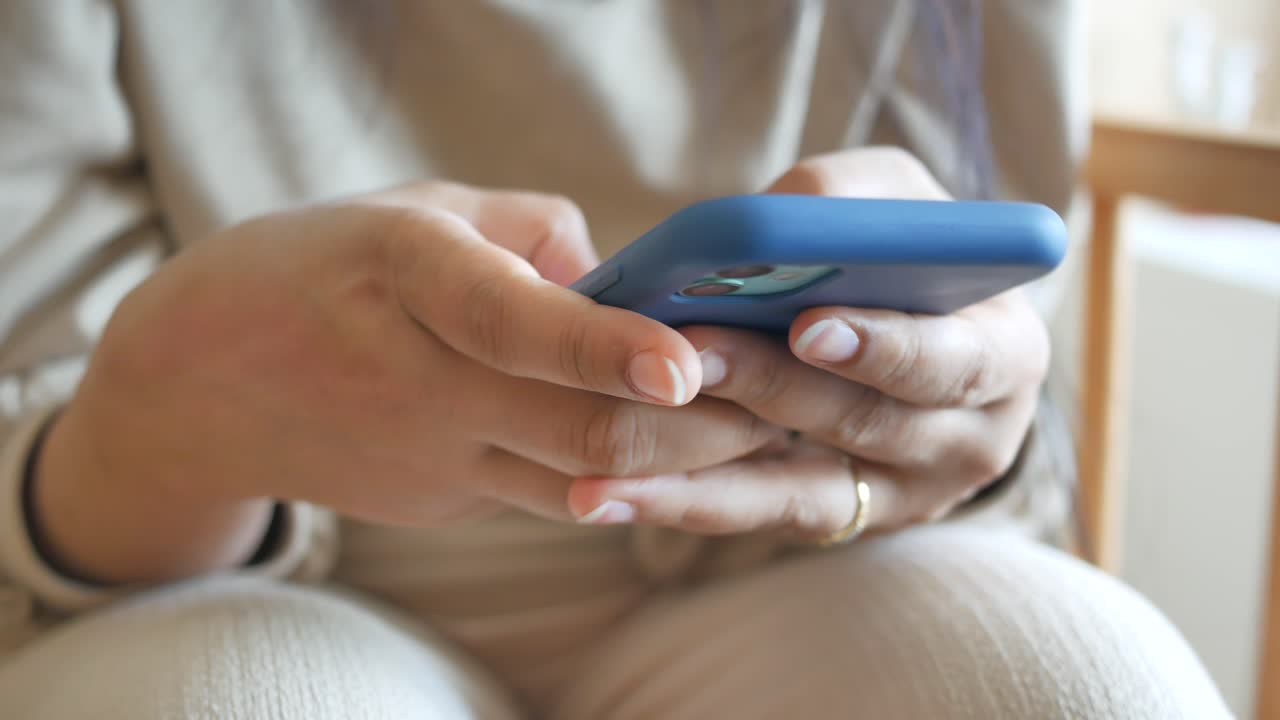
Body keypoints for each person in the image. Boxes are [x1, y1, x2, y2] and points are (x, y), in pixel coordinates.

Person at [0, 2, 1230, 718]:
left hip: (792, 559)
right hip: (230, 573)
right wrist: (154, 417)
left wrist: (962, 426)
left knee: (1089, 690)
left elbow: (1001, 404)